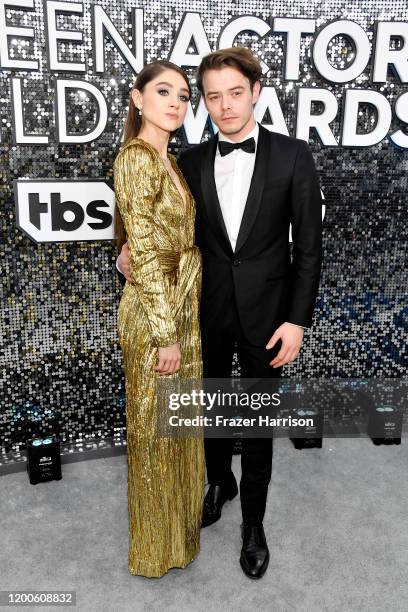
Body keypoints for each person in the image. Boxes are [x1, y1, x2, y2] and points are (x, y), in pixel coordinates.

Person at [117, 47, 323, 579]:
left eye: (236, 92)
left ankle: (252, 524)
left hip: (269, 319)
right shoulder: (187, 161)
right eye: (212, 96)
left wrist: (297, 320)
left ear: (255, 92)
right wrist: (128, 253)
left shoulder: (294, 156)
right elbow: (162, 230)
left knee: (255, 426)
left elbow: (310, 248)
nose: (226, 105)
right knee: (205, 416)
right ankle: (218, 483)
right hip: (200, 316)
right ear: (203, 104)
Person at [113, 59, 205, 578]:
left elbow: (148, 239)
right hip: (156, 318)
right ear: (137, 97)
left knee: (177, 429)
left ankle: (177, 542)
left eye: (184, 96)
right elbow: (145, 247)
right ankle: (152, 552)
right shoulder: (136, 158)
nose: (175, 102)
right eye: (163, 91)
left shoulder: (169, 161)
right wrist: (167, 333)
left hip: (181, 304)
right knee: (154, 434)